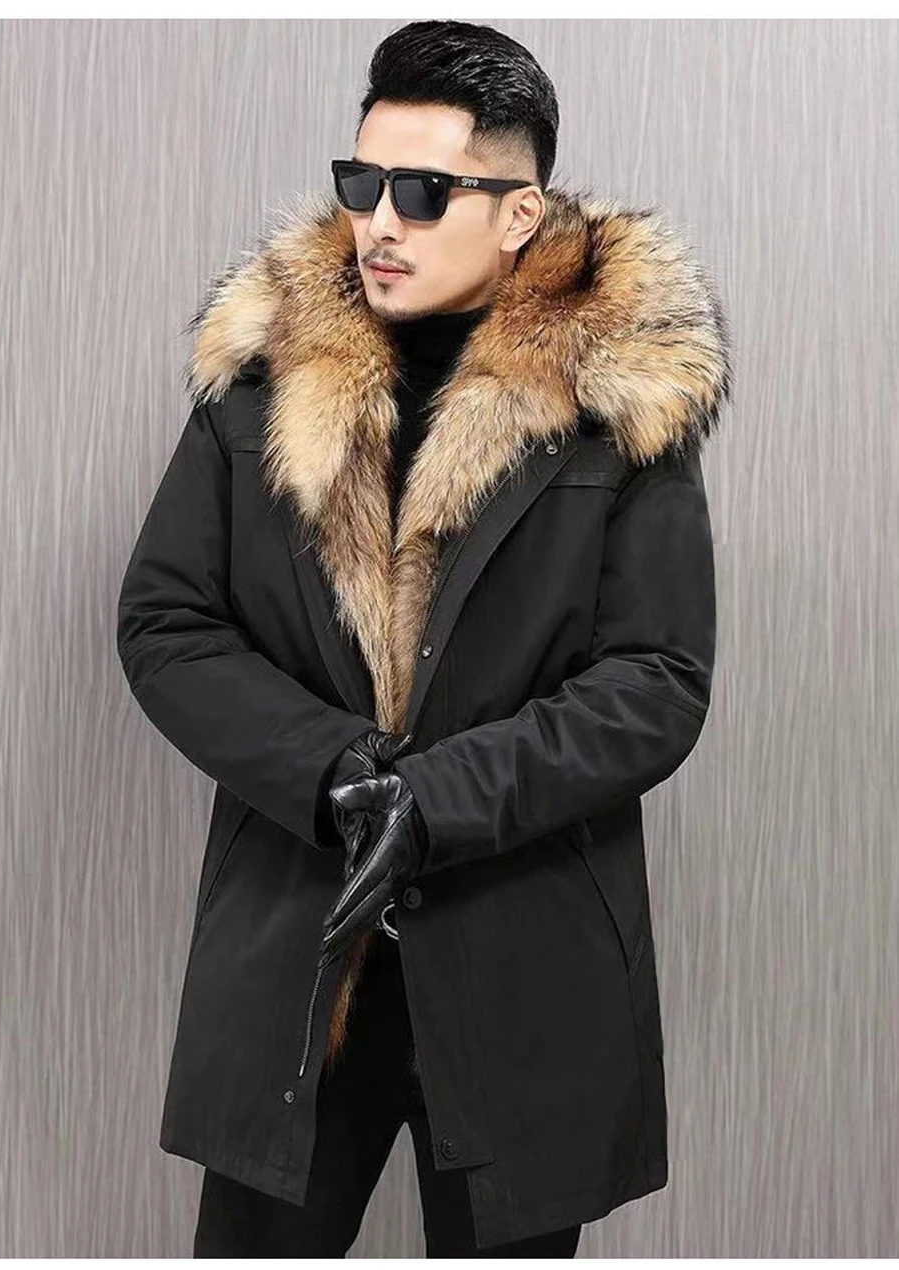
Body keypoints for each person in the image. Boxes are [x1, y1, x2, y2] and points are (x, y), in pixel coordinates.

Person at [116, 18, 732, 1258]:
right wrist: (337, 772)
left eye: (424, 192)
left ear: (519, 213)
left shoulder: (619, 398)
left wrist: (435, 802)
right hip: (299, 948)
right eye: (363, 182)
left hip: (523, 955)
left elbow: (655, 682)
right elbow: (166, 622)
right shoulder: (266, 375)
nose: (379, 222)